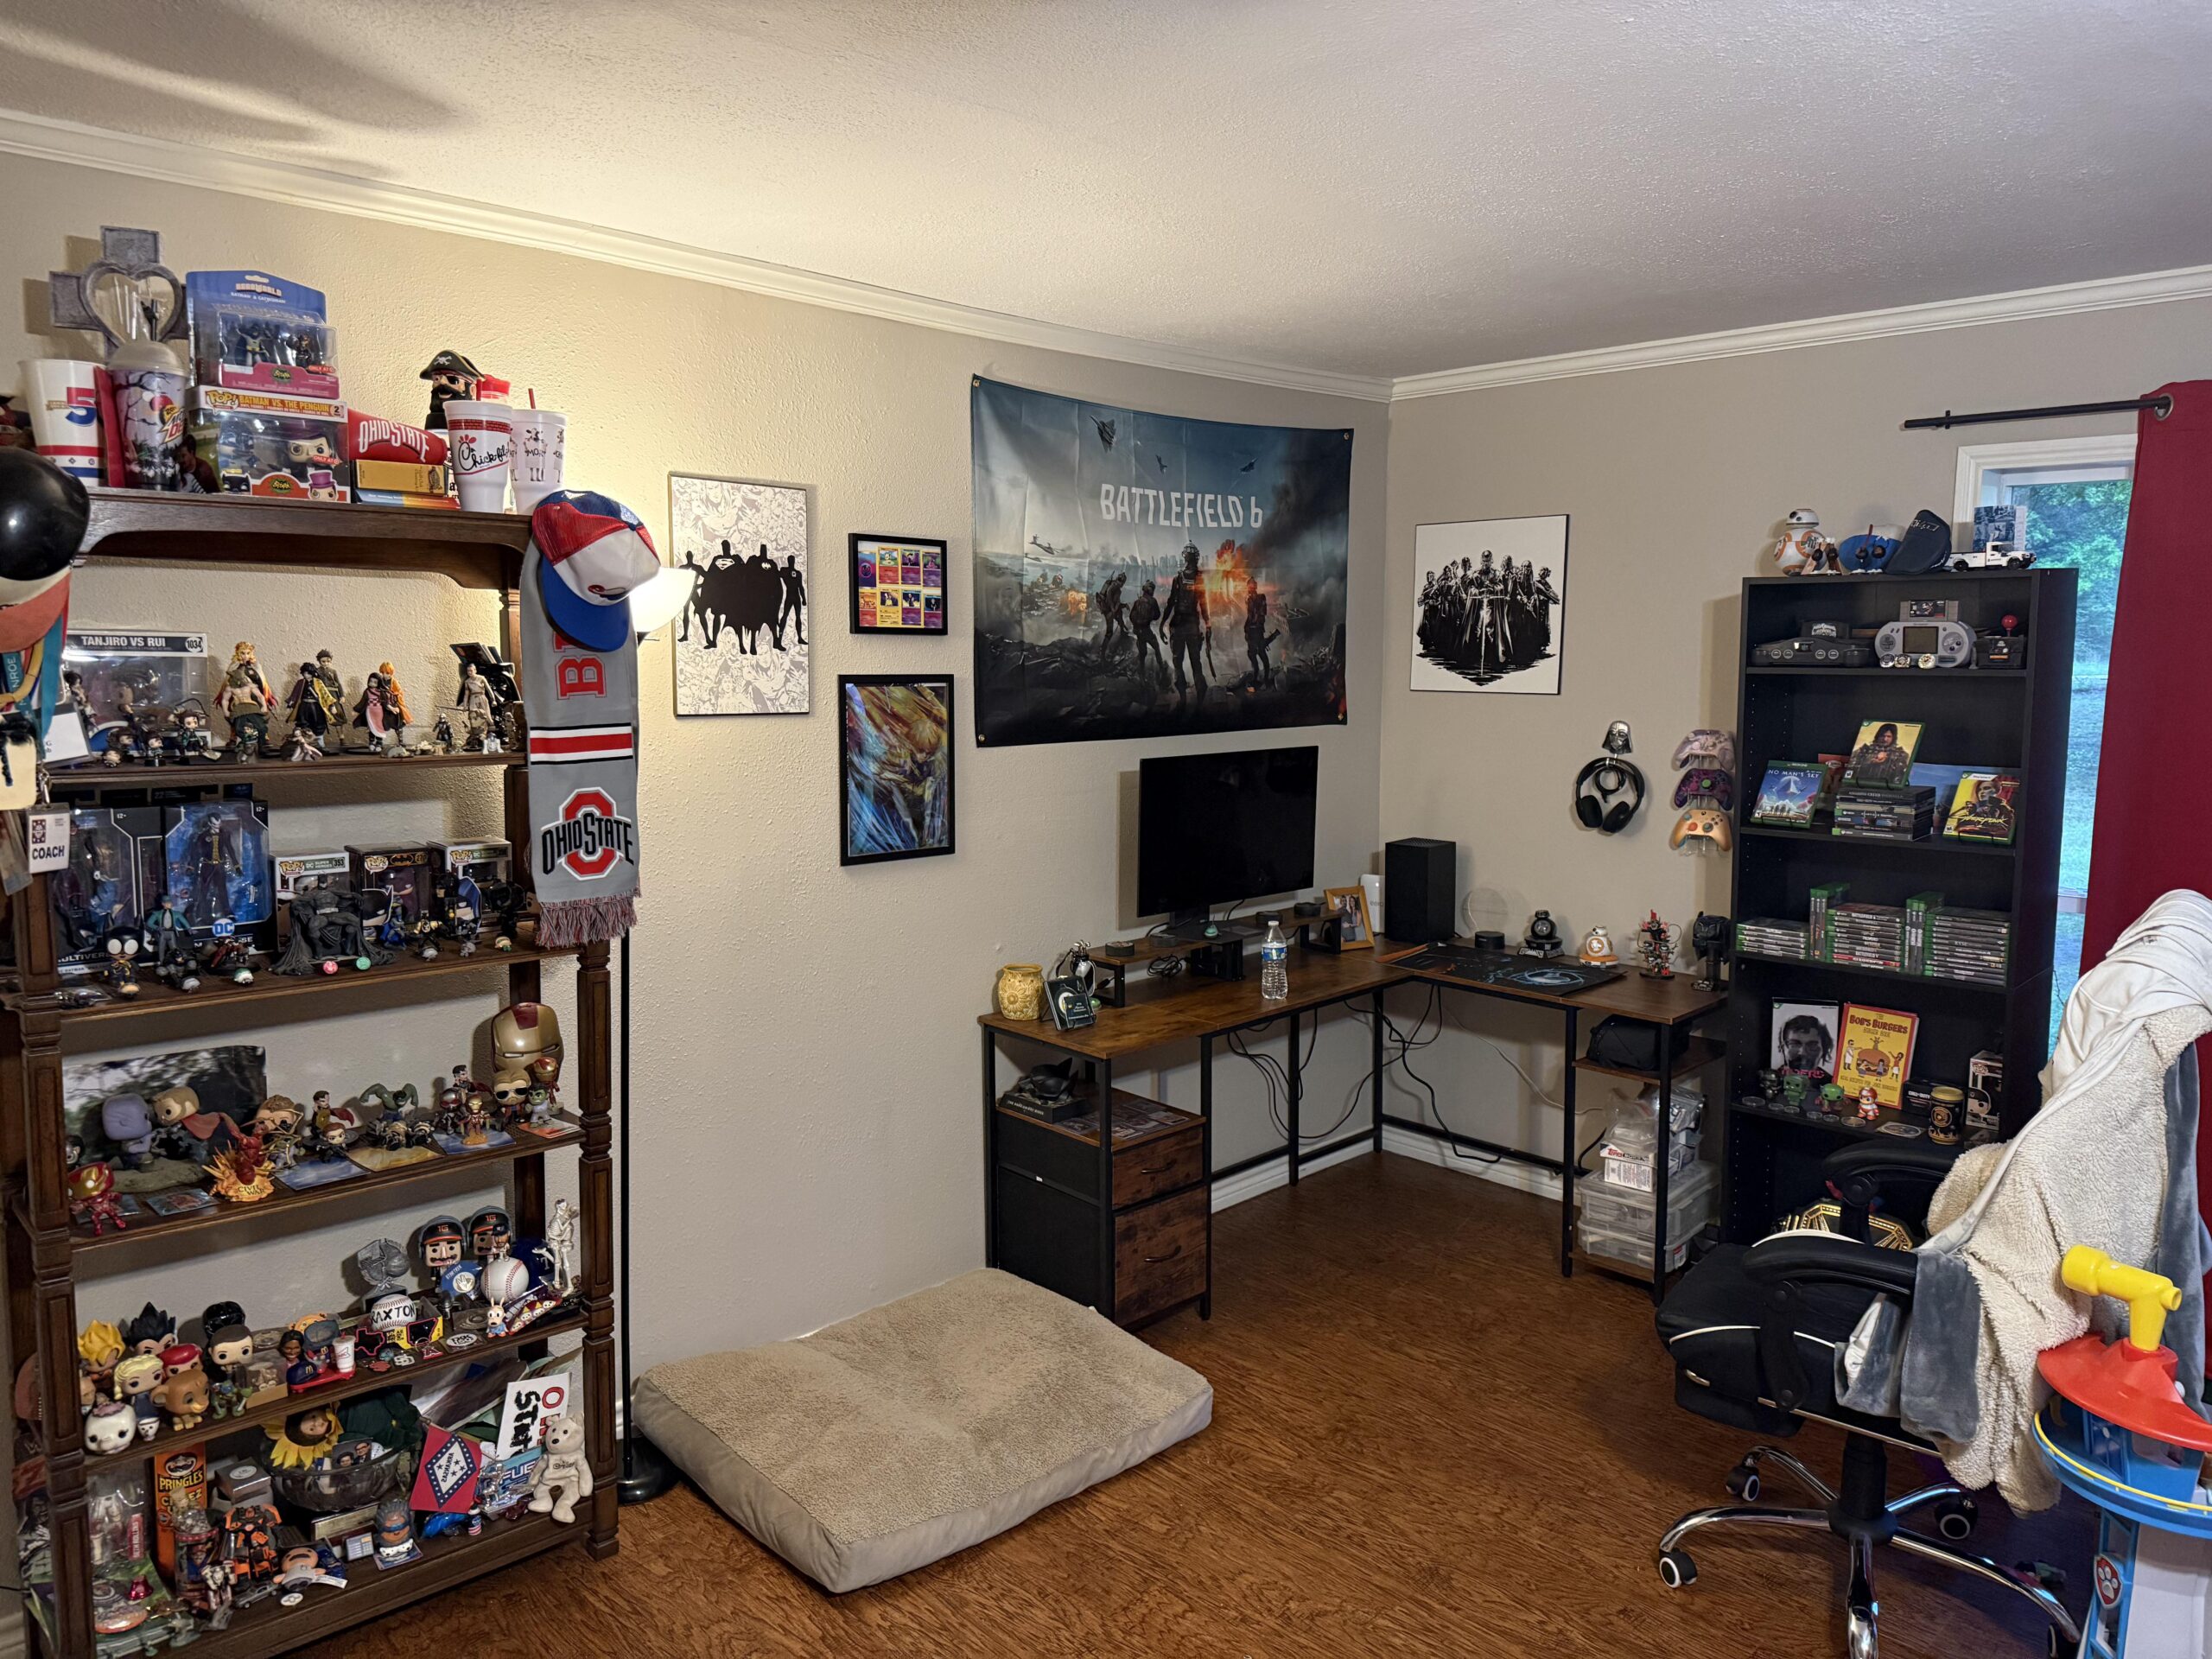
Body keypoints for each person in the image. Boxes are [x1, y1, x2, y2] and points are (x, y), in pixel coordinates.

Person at [1163, 541, 1210, 704]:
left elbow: (1171, 602)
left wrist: (1163, 623)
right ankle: (1199, 702)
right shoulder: (1199, 579)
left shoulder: (1178, 578)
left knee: (1178, 662)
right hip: (1192, 625)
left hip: (1179, 625)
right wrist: (1208, 624)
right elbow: (1203, 605)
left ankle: (1183, 700)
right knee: (1196, 662)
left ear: (1185, 557)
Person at [1129, 577, 1165, 683]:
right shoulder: (1152, 601)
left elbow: (1131, 616)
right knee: (1156, 647)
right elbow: (1157, 615)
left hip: (1138, 631)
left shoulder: (1137, 601)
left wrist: (1137, 623)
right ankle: (1162, 670)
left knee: (1142, 654)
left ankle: (1142, 676)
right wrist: (1150, 617)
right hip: (1146, 630)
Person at [1243, 575, 1275, 689]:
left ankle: (1261, 680)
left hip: (1255, 631)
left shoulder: (1255, 598)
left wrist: (1249, 627)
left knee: (1259, 658)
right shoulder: (1256, 598)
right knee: (1259, 658)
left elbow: (1255, 615)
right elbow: (1256, 615)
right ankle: (1260, 680)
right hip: (1255, 631)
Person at [779, 554, 807, 647]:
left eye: (792, 560)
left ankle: (800, 637)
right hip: (790, 596)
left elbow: (801, 587)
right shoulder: (785, 571)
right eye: (790, 560)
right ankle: (779, 638)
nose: (791, 562)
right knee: (785, 615)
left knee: (798, 617)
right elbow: (777, 576)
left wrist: (804, 599)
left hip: (796, 596)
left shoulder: (798, 573)